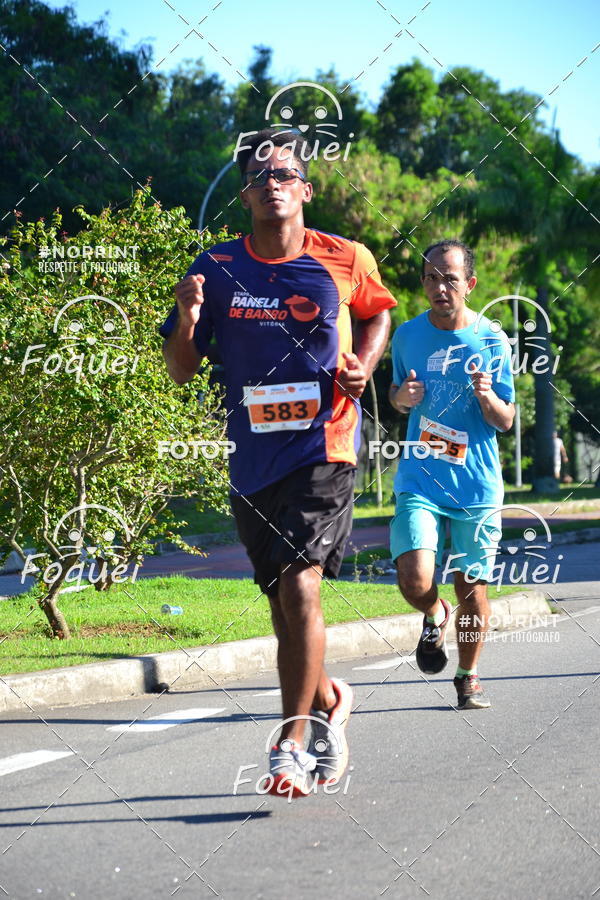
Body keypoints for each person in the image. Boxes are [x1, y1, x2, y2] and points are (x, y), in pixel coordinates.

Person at [161, 128, 396, 795]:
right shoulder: (215, 269)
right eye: (260, 178)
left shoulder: (344, 258)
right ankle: (328, 701)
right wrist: (186, 318)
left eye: (285, 175)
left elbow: (377, 314)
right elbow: (181, 371)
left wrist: (364, 365)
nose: (273, 185)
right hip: (252, 459)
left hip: (325, 445)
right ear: (245, 195)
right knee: (283, 604)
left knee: (301, 587)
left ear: (305, 189)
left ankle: (291, 741)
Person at [388, 239, 515, 709]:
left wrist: (487, 398)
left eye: (450, 279)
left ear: (470, 283)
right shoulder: (406, 336)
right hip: (421, 476)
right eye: (431, 278)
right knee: (414, 576)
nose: (440, 287)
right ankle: (433, 610)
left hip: (476, 484)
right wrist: (403, 399)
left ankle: (468, 676)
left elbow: (506, 419)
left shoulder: (491, 339)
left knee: (472, 586)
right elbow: (397, 394)